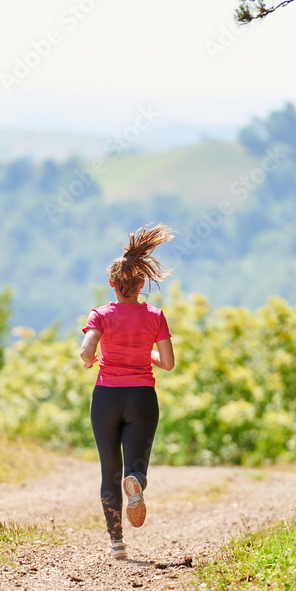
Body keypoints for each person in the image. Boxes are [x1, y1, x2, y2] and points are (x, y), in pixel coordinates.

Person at [79, 224, 176, 559]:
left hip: (106, 397)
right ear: (140, 284)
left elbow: (86, 351)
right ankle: (136, 481)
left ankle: (117, 543)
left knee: (109, 471)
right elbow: (167, 363)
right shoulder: (154, 317)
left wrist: (92, 357)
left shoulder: (101, 315)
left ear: (112, 284)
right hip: (141, 398)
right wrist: (140, 353)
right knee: (135, 466)